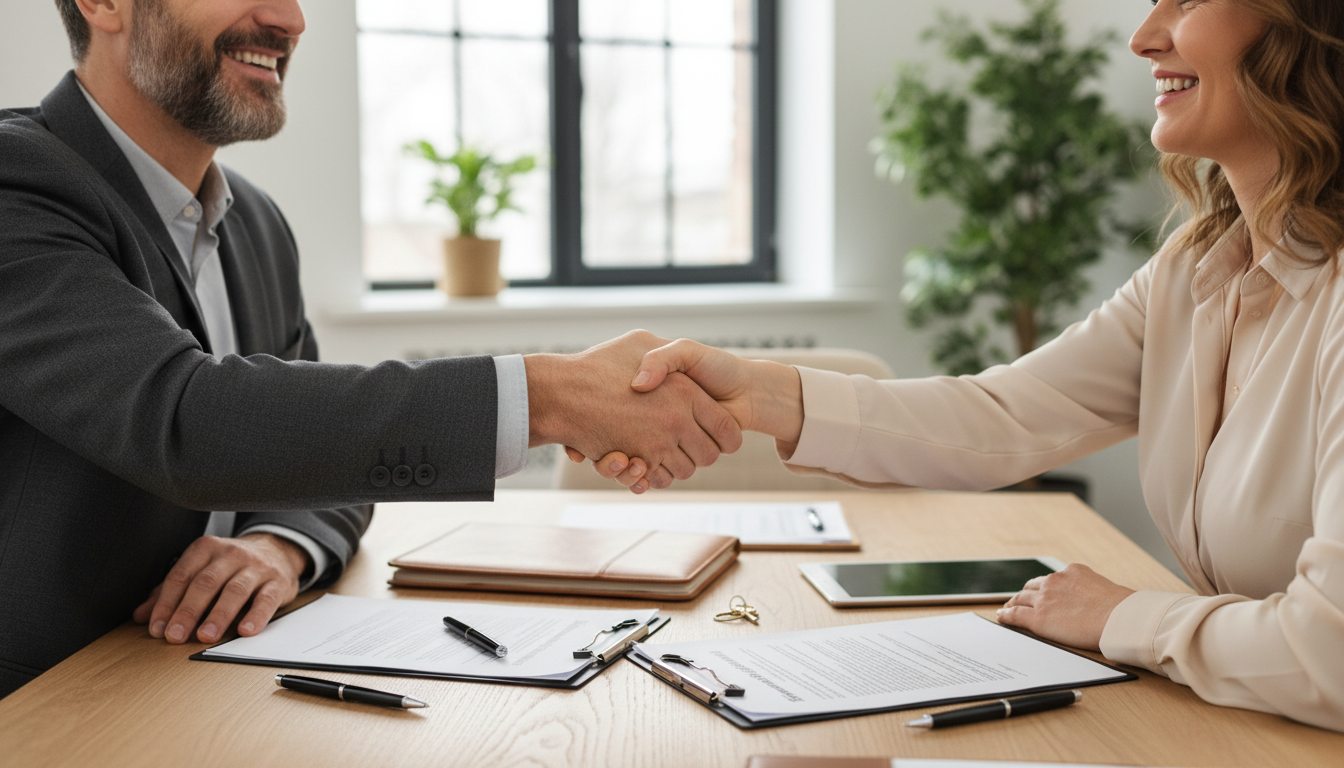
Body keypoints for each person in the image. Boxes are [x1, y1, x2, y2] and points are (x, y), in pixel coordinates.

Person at [581, 0, 1344, 733]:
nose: (1144, 37)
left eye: (1191, 0)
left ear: (1309, 26)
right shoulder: (1197, 268)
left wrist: (1122, 616)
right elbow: (1001, 416)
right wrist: (757, 393)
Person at [0, 0, 738, 699]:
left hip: (203, 684)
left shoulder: (255, 224)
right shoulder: (18, 185)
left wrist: (280, 545)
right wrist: (545, 394)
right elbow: (185, 420)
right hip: (49, 703)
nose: (291, 19)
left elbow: (327, 453)